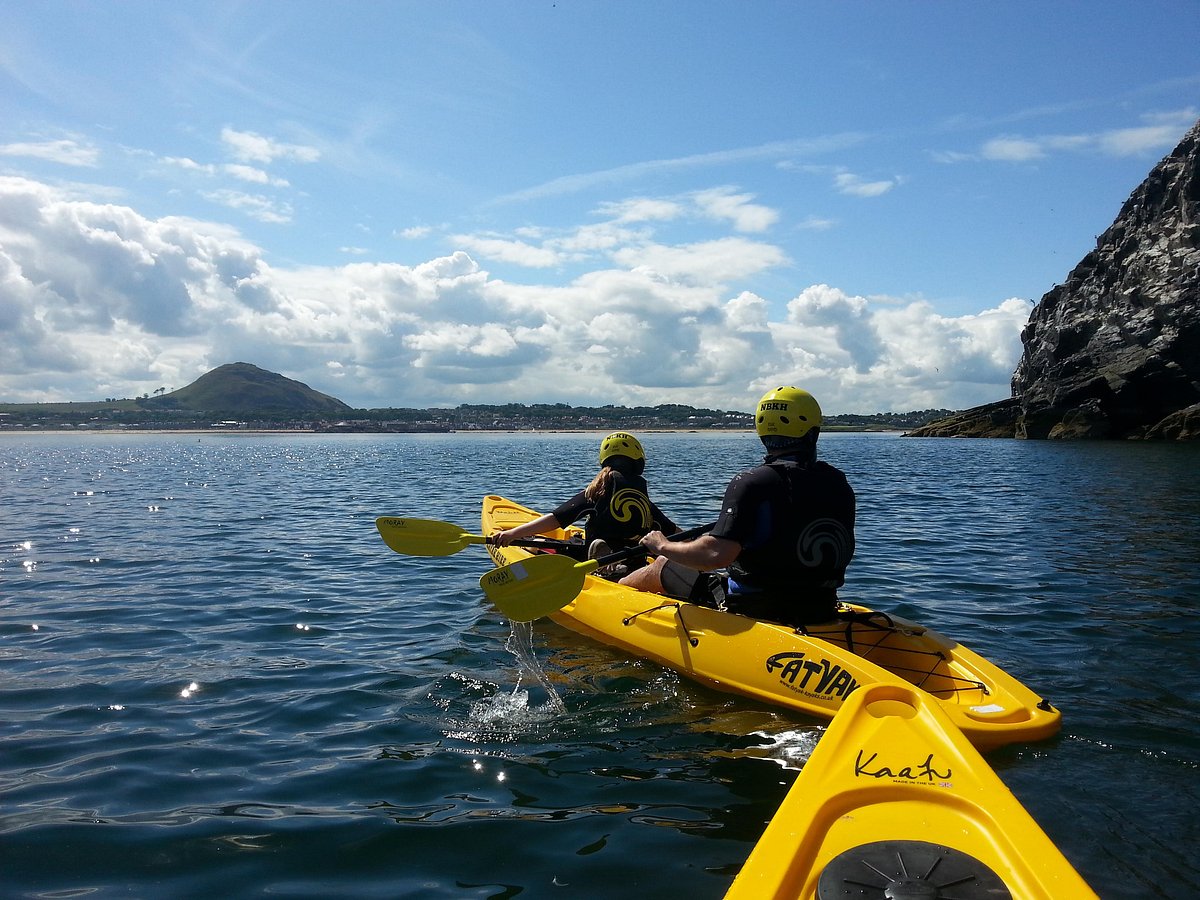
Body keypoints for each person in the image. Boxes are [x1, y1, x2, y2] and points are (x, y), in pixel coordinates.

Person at [620, 386, 855, 627]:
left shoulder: (752, 482)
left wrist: (662, 545)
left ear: (762, 431)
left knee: (663, 565)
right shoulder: (839, 483)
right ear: (814, 432)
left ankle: (613, 594)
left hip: (755, 610)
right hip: (821, 607)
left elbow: (715, 555)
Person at [491, 432, 679, 572]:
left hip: (590, 559)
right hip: (634, 560)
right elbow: (675, 533)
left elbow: (557, 519)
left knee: (536, 542)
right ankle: (616, 565)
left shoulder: (597, 491)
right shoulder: (644, 501)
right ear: (638, 460)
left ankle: (604, 563)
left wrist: (513, 533)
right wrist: (703, 542)